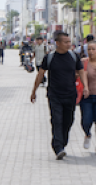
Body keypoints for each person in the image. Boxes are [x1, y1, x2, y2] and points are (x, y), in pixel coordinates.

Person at [30, 31, 87, 160]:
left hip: (70, 95)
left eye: (69, 42)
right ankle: (58, 147)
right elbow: (40, 75)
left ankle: (62, 143)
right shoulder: (49, 58)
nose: (69, 44)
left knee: (68, 121)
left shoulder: (74, 57)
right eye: (66, 42)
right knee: (56, 120)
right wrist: (34, 91)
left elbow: (82, 72)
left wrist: (86, 87)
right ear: (58, 43)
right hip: (54, 95)